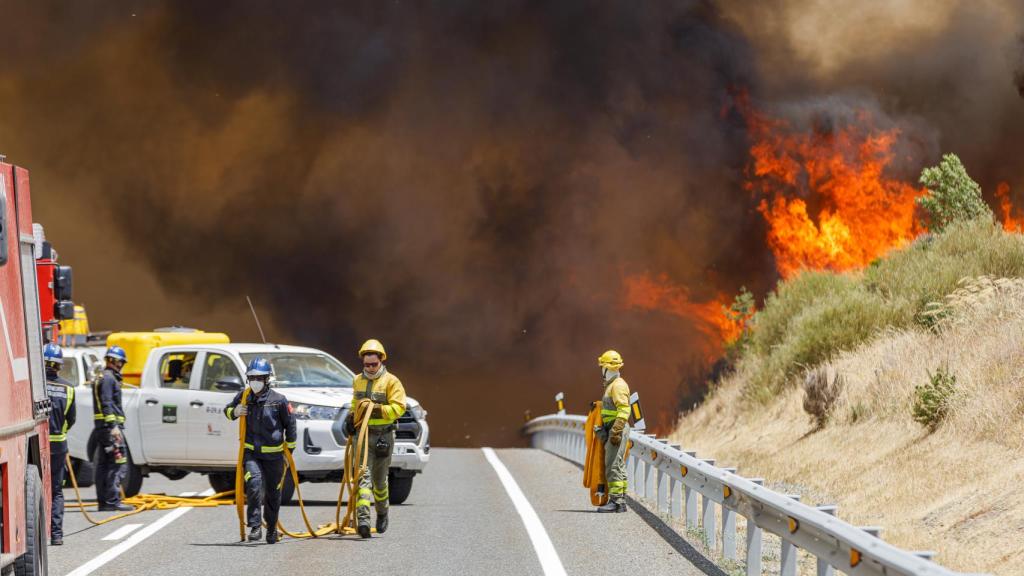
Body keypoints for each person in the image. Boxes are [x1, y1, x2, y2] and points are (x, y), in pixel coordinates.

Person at [225, 358, 296, 544]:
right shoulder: (243, 397)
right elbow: (227, 411)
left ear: (266, 379)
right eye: (252, 378)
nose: (255, 381)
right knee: (254, 484)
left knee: (273, 493)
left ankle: (271, 528)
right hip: (252, 454)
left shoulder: (279, 401)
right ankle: (255, 526)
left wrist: (289, 452)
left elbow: (290, 425)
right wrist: (235, 411)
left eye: (259, 378)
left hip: (274, 456)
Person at [345, 339, 406, 538]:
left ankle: (382, 512)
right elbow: (355, 402)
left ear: (381, 360)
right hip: (362, 436)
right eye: (367, 364)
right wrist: (350, 417)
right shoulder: (357, 380)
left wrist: (378, 410)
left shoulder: (391, 382)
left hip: (383, 437)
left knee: (379, 481)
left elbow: (399, 408)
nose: (370, 368)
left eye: (374, 364)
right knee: (362, 477)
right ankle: (363, 520)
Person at [91, 345, 131, 512]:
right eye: (121, 362)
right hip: (110, 429)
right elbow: (106, 403)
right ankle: (113, 501)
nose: (121, 366)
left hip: (103, 428)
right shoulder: (108, 379)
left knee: (104, 465)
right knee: (117, 463)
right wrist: (114, 426)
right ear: (115, 361)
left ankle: (104, 502)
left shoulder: (104, 377)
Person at [44, 343, 75, 545]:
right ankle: (56, 535)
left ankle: (37, 533)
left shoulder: (36, 386)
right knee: (56, 490)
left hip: (37, 444)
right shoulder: (68, 388)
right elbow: (71, 419)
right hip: (59, 445)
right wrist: (61, 432)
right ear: (59, 365)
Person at [596, 350, 630, 513]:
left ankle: (616, 501)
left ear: (607, 368)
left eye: (602, 367)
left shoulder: (618, 385)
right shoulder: (612, 385)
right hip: (613, 429)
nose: (601, 371)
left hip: (617, 430)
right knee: (618, 464)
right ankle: (621, 501)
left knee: (613, 465)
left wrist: (616, 431)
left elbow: (624, 409)